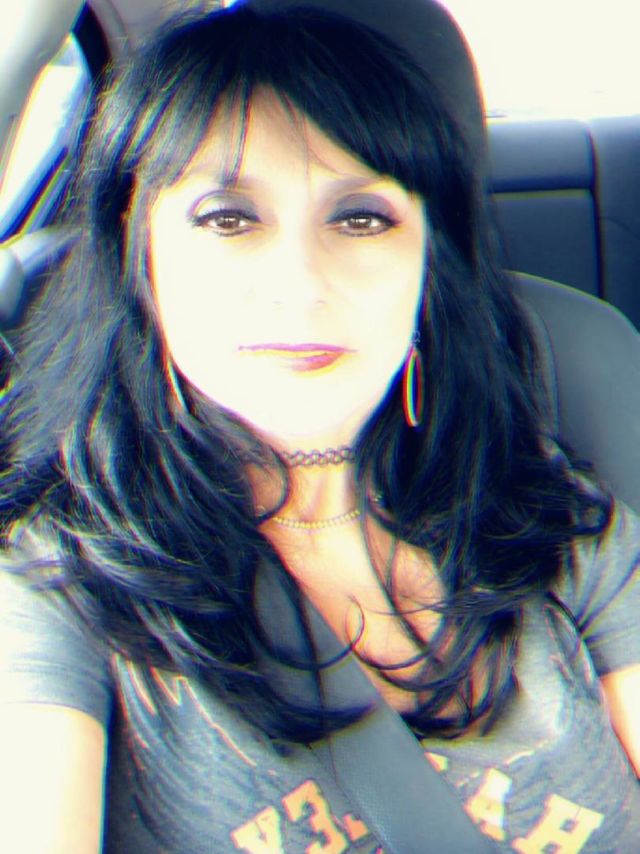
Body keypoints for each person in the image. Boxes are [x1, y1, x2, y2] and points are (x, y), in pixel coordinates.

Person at [0, 1, 639, 851]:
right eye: (229, 219)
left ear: (429, 264)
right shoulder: (57, 585)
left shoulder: (560, 527)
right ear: (139, 255)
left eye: (360, 218)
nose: (301, 285)